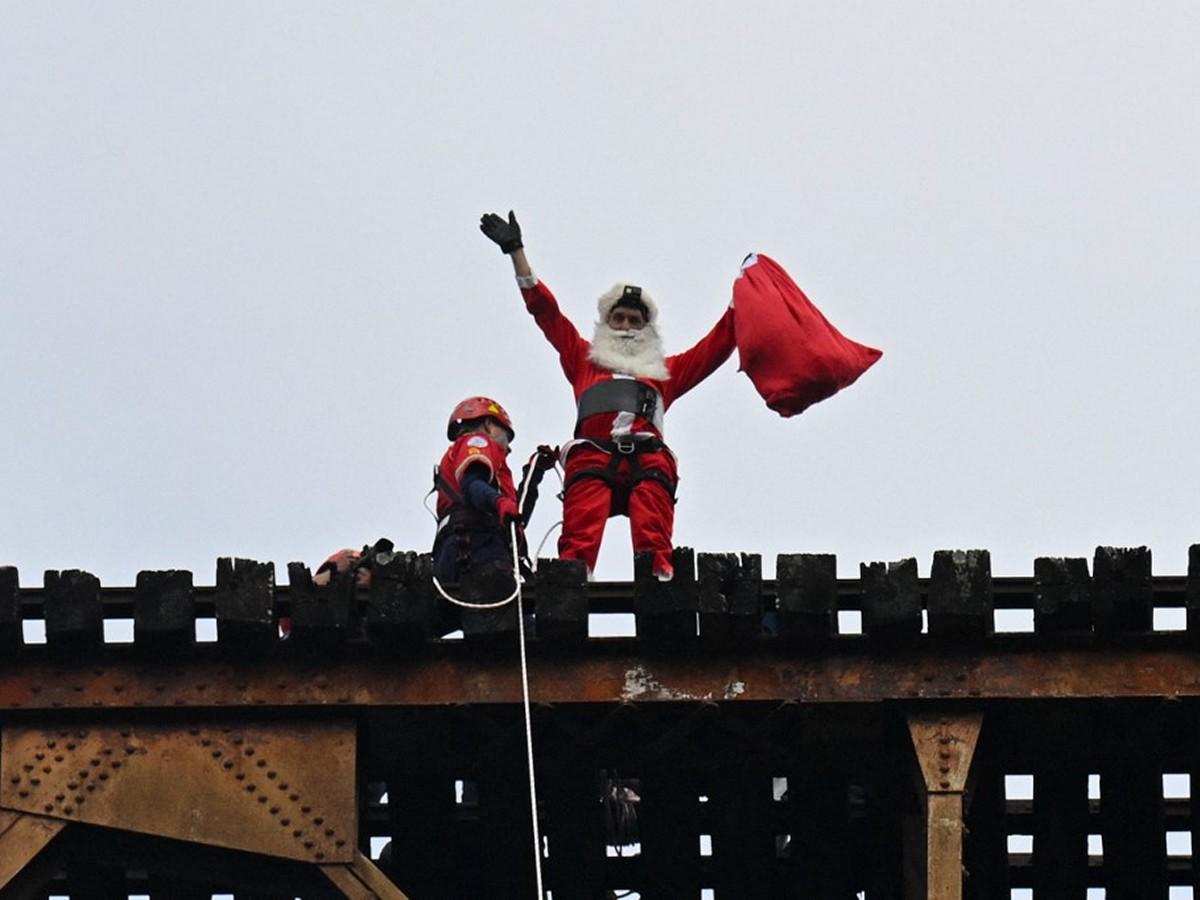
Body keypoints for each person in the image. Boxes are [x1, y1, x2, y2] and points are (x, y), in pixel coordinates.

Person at [479, 210, 735, 581]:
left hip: (647, 460)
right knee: (581, 528)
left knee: (653, 520)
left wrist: (744, 300)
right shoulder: (583, 359)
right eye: (619, 319)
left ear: (647, 329)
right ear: (606, 323)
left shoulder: (666, 372)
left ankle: (658, 578)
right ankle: (573, 580)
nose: (627, 327)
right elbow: (546, 313)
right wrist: (516, 252)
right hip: (592, 459)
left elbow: (717, 345)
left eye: (635, 321)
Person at [432, 396, 523, 583]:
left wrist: (535, 474)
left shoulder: (457, 455)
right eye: (507, 437)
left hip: (454, 549)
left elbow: (513, 520)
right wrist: (499, 502)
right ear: (489, 425)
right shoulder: (477, 441)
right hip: (477, 543)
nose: (509, 448)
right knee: (497, 595)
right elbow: (472, 484)